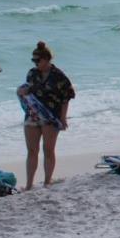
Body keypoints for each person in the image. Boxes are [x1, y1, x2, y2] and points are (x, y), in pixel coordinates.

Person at [17, 40, 74, 190]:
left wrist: (63, 117)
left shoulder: (58, 75)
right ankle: (29, 184)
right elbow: (27, 91)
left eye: (38, 60)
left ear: (47, 59)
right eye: (33, 60)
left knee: (48, 150)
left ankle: (47, 181)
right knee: (31, 150)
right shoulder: (32, 73)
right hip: (32, 115)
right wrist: (21, 92)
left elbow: (67, 96)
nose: (36, 63)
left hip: (50, 116)